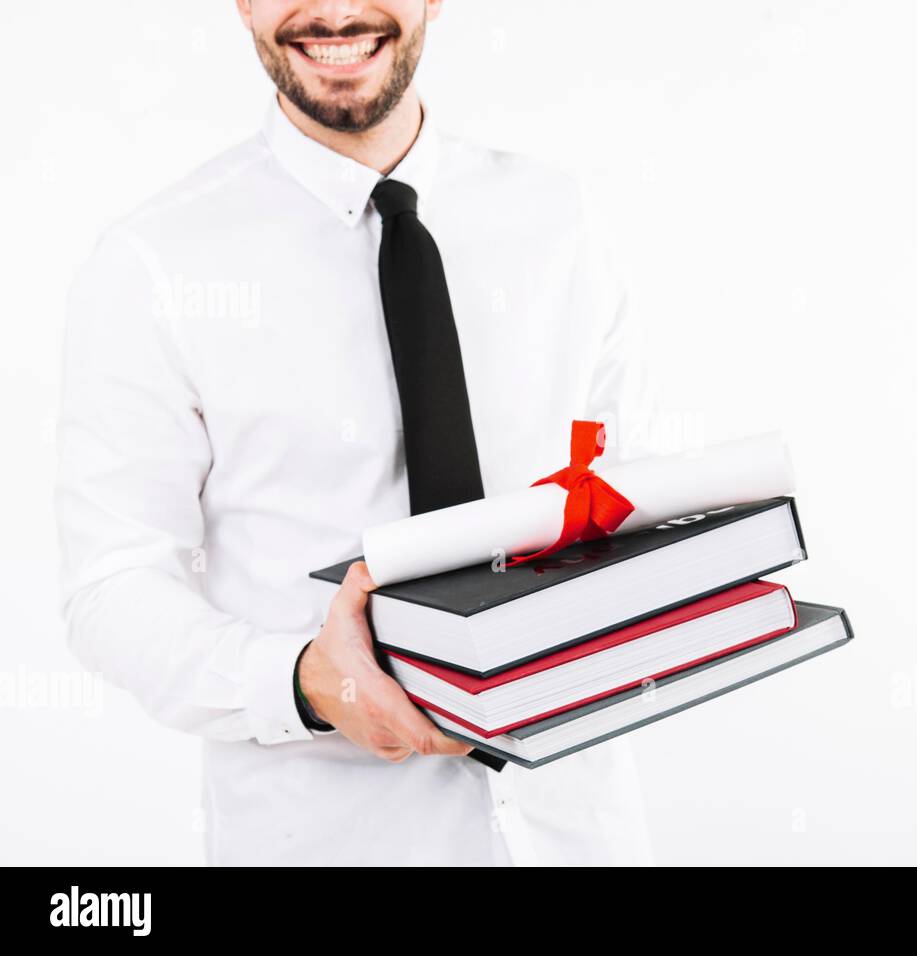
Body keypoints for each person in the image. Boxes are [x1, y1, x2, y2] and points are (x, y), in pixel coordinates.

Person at [55, 0, 654, 865]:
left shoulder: (560, 220)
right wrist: (302, 680)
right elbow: (112, 585)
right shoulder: (153, 265)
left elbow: (625, 495)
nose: (335, 11)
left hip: (578, 829)